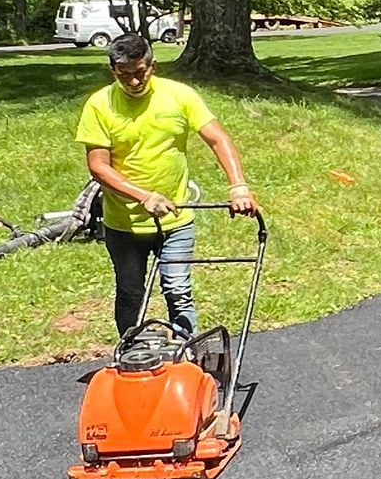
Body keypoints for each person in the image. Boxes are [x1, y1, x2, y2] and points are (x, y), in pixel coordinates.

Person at [73, 30, 259, 340]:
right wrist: (142, 195)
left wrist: (237, 185)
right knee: (131, 293)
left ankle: (187, 354)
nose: (133, 82)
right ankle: (133, 355)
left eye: (140, 72)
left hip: (176, 220)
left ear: (152, 66)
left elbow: (217, 138)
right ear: (113, 72)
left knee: (177, 289)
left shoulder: (179, 96)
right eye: (125, 75)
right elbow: (98, 166)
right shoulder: (99, 105)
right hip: (124, 224)